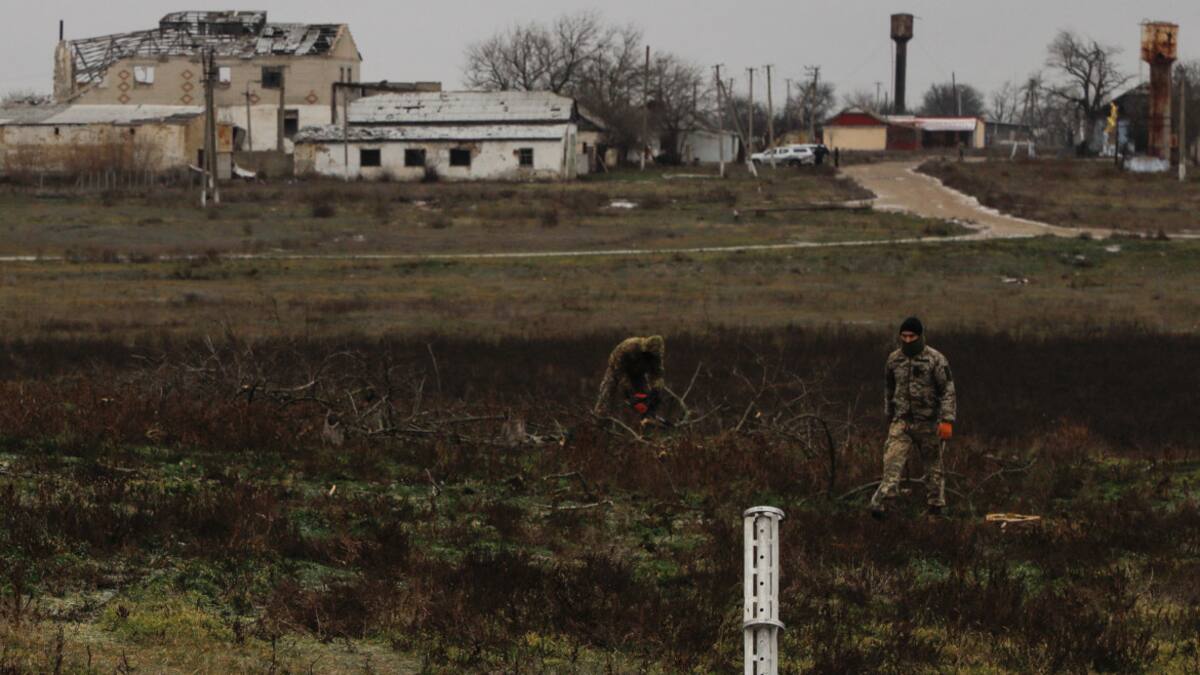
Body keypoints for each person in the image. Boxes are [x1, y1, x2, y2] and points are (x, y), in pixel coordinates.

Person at [870, 317, 957, 518]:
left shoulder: (935, 359)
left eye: (912, 336)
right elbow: (889, 389)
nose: (908, 340)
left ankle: (935, 509)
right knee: (892, 464)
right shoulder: (894, 360)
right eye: (904, 336)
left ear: (920, 336)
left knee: (933, 469)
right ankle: (882, 508)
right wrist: (890, 416)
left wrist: (947, 420)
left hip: (929, 423)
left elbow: (948, 390)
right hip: (902, 422)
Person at [593, 336, 666, 420]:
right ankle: (599, 418)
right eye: (648, 354)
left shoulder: (656, 355)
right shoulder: (630, 346)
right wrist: (628, 389)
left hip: (638, 373)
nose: (650, 357)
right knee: (607, 393)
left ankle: (645, 420)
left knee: (646, 397)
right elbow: (619, 370)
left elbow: (657, 374)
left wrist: (656, 389)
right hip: (617, 369)